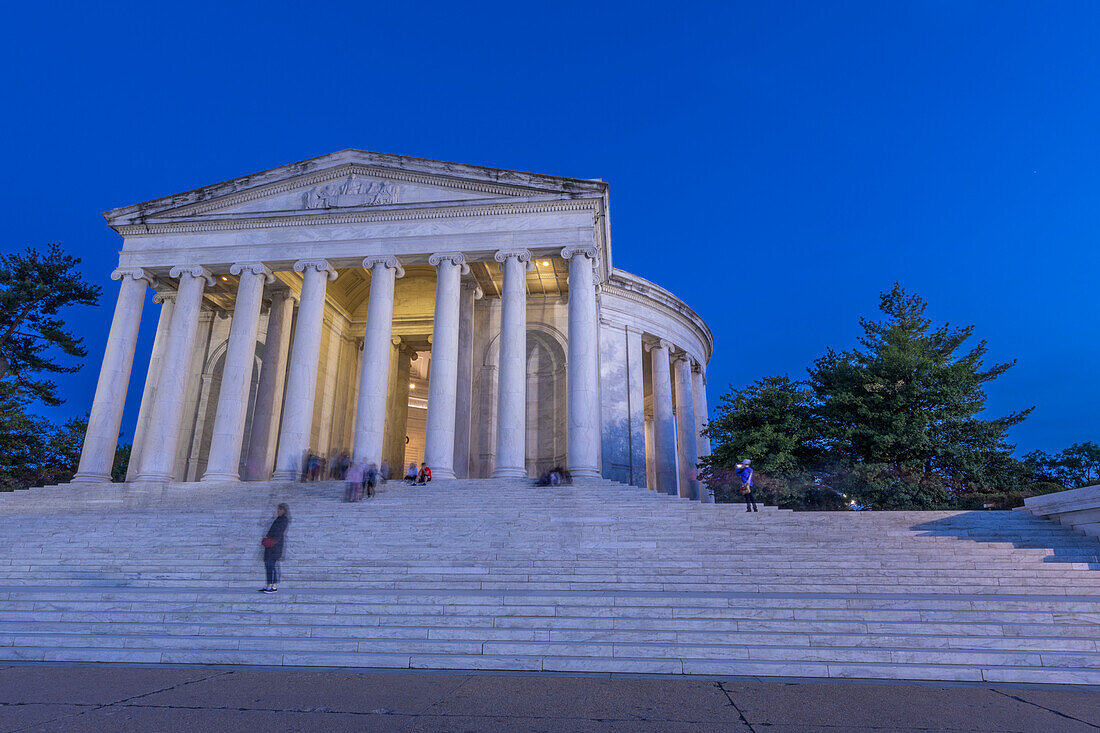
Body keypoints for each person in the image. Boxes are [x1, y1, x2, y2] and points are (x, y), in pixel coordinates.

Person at [260, 503, 289, 593]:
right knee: (269, 566)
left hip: (274, 547)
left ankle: (273, 586)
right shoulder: (278, 519)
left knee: (272, 566)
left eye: (280, 509)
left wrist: (271, 541)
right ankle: (269, 585)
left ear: (284, 510)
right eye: (278, 509)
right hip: (271, 546)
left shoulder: (283, 520)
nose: (278, 511)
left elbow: (278, 533)